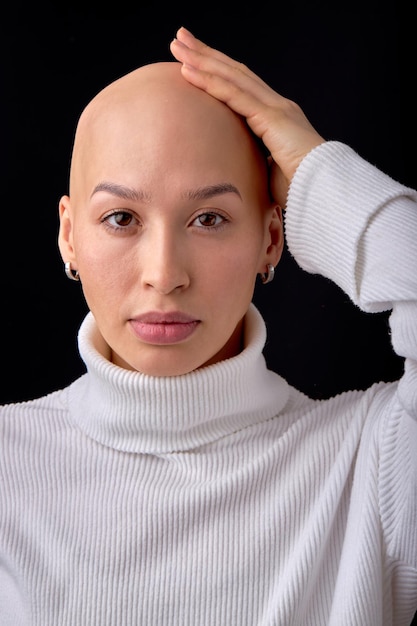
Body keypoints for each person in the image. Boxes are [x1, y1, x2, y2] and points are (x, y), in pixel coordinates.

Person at [1, 25, 416, 626]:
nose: (164, 274)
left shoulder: (373, 466)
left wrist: (320, 175)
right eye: (121, 217)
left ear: (273, 237)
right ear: (69, 234)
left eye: (210, 218)